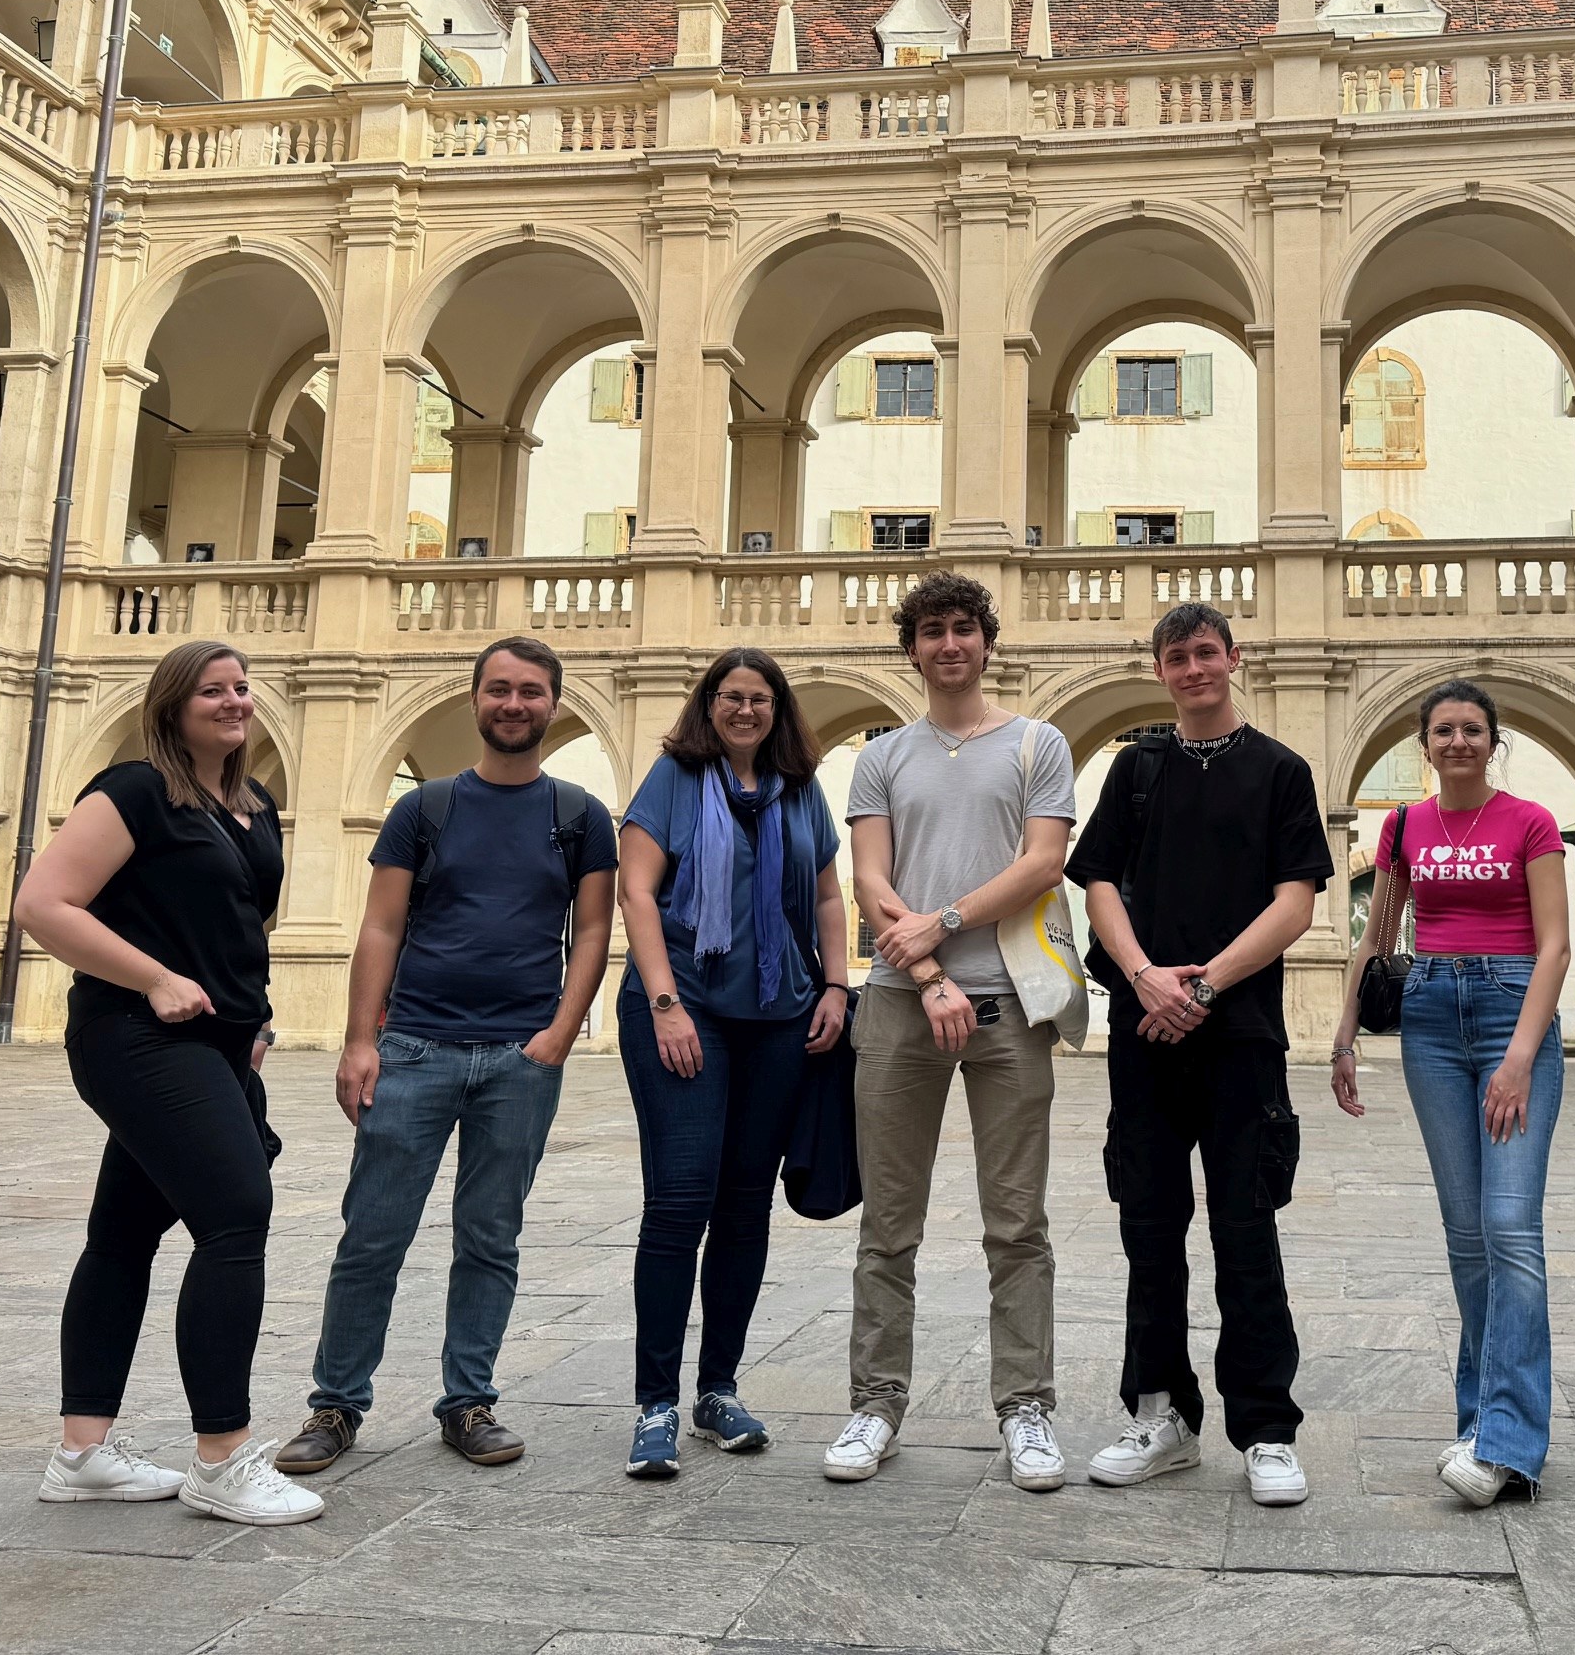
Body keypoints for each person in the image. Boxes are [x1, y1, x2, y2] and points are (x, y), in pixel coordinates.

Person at [273, 637, 616, 1479]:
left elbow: (596, 931)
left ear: (553, 704)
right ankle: (336, 1405)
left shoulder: (578, 815)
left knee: (490, 1236)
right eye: (499, 690)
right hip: (416, 1048)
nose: (513, 704)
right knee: (372, 1235)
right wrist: (361, 1040)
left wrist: (558, 1037)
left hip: (518, 1058)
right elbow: (381, 927)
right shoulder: (424, 809)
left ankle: (469, 1401)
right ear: (475, 700)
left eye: (531, 692)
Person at [17, 639, 323, 1526]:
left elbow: (233, 924)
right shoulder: (135, 791)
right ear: (173, 705)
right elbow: (43, 905)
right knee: (236, 1215)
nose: (233, 702)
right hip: (137, 1036)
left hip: (217, 1043)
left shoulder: (254, 803)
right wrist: (153, 976)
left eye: (241, 688)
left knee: (121, 1236)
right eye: (210, 692)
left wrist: (252, 1019)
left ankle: (81, 1453)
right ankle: (223, 1459)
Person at [1068, 603, 1329, 1508]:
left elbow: (1295, 904)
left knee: (1246, 1231)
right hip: (1144, 1034)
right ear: (1160, 669)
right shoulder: (1136, 768)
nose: (1193, 669)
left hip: (1241, 1037)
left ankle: (1265, 1429)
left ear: (1235, 657)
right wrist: (1146, 979)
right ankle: (1162, 1416)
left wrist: (1203, 987)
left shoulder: (1281, 772)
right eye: (1176, 657)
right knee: (1150, 1233)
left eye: (1206, 653)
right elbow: (1097, 883)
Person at [829, 572, 1075, 1491]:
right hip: (900, 1004)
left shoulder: (1036, 743)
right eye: (931, 631)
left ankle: (1026, 1410)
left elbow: (1044, 862)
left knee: (1017, 1224)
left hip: (1010, 1002)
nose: (949, 645)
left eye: (963, 628)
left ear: (987, 641)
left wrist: (940, 924)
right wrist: (928, 969)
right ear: (912, 648)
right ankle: (875, 1405)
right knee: (889, 1223)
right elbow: (871, 880)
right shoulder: (882, 755)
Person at [1331, 680, 1570, 1509]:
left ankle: (1509, 1441)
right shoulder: (1405, 827)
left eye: (1473, 729)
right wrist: (1343, 1034)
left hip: (1511, 1012)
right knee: (1467, 1237)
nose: (1459, 741)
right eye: (1444, 730)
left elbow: (1555, 948)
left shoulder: (1530, 822)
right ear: (1424, 744)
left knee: (1510, 1229)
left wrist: (1521, 1059)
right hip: (1431, 1014)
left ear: (1491, 741)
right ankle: (1481, 1425)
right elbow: (1377, 931)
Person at [612, 647, 850, 1478]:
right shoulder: (673, 778)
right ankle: (655, 1404)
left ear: (778, 711)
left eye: (759, 699)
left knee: (747, 1205)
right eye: (731, 697)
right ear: (709, 706)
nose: (745, 710)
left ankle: (717, 1391)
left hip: (782, 1012)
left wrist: (836, 986)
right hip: (687, 1011)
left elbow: (826, 894)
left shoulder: (799, 789)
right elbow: (635, 890)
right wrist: (665, 1001)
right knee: (680, 1203)